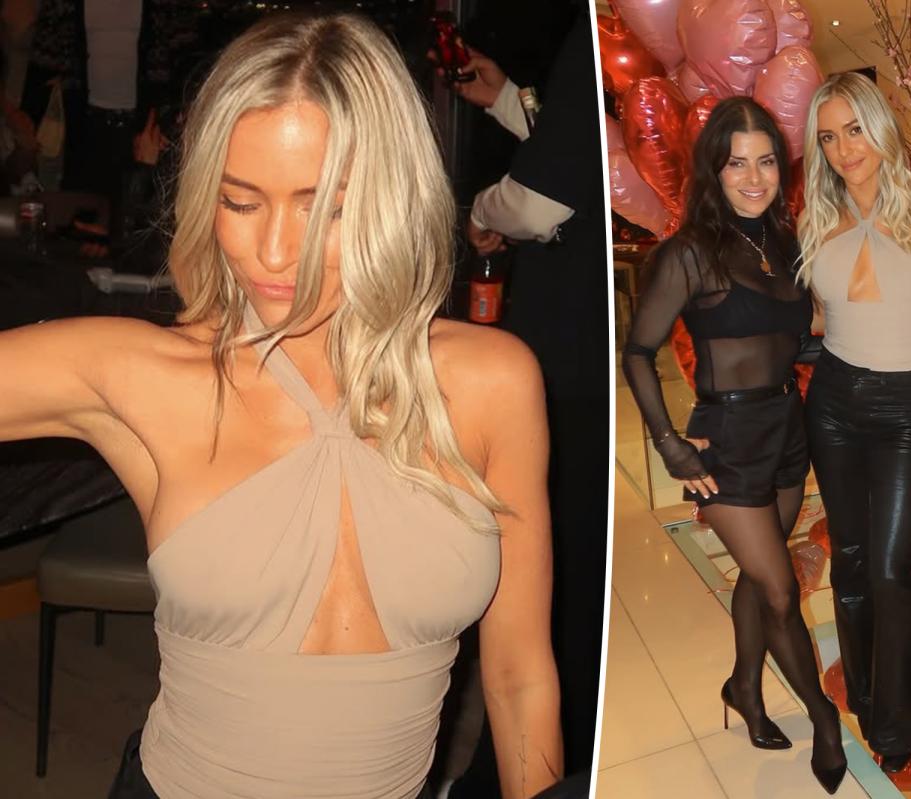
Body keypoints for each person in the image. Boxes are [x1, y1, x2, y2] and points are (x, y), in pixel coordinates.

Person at [0, 13, 562, 799]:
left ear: (392, 198)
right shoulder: (144, 373)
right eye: (240, 203)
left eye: (323, 208)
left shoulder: (493, 381)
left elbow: (518, 677)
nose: (272, 254)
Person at [623, 96, 846, 795]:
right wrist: (669, 444)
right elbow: (637, 352)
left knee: (760, 573)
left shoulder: (783, 243)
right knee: (780, 590)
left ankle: (744, 686)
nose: (754, 178)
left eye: (766, 162)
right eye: (737, 164)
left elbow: (787, 337)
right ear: (713, 170)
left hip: (786, 429)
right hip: (726, 439)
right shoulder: (689, 253)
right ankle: (824, 717)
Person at [441, 9, 608, 795]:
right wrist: (510, 100)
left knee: (554, 576)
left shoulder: (596, 35)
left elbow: (540, 201)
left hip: (571, 355)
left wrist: (480, 211)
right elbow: (591, 153)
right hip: (596, 349)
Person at [797, 71, 911, 773]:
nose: (844, 149)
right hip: (832, 400)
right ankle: (861, 692)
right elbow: (817, 316)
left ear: (879, 128)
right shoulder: (815, 217)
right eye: (829, 138)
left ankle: (897, 727)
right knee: (851, 557)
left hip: (902, 408)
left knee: (891, 567)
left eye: (854, 130)